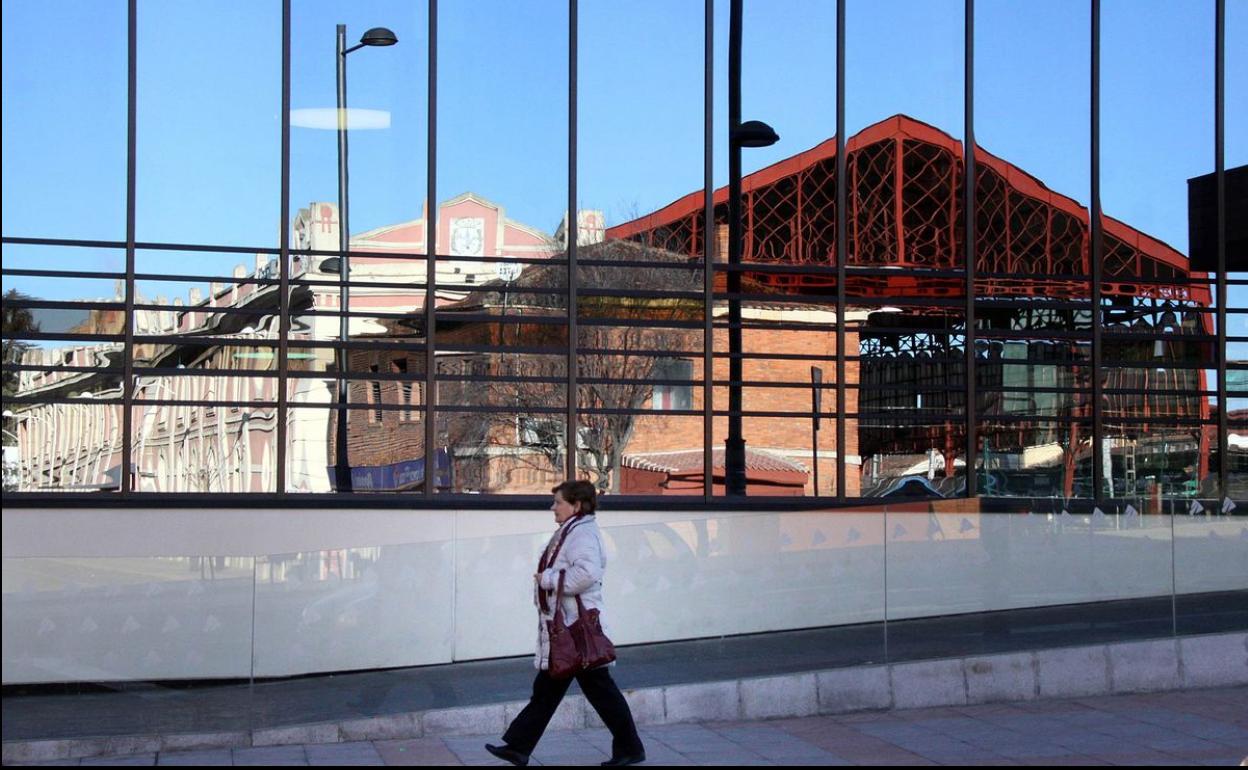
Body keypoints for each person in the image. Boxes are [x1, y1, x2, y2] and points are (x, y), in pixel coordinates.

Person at [486, 481, 646, 767]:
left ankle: (630, 748)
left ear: (577, 505)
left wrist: (547, 579)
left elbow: (586, 573)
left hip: (576, 631)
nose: (553, 507)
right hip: (568, 631)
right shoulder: (572, 532)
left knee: (597, 693)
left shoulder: (581, 534)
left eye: (558, 502)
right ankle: (518, 748)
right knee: (551, 691)